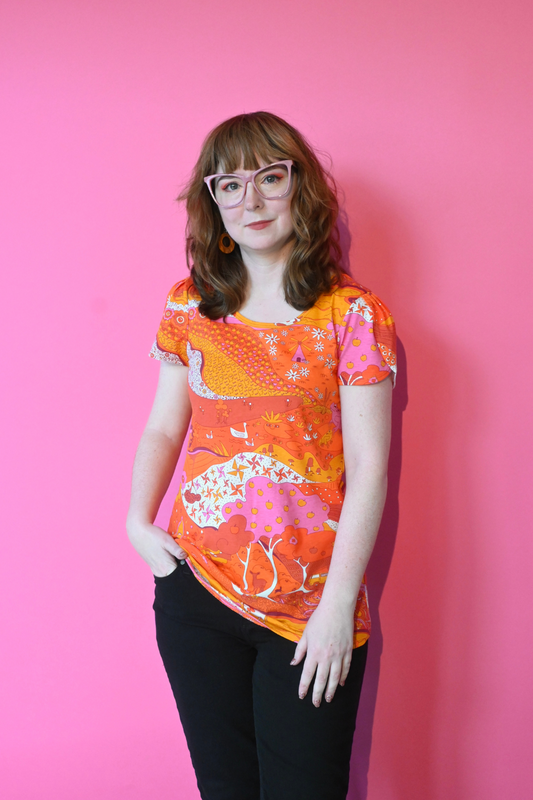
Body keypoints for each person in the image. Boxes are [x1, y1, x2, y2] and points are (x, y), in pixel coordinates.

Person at [126, 111, 396, 800]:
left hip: (311, 606)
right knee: (224, 788)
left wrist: (339, 604)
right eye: (230, 184)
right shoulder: (189, 308)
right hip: (197, 591)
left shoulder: (351, 315)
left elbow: (369, 466)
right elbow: (164, 427)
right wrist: (137, 524)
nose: (249, 201)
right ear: (210, 201)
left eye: (269, 178)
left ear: (299, 188)